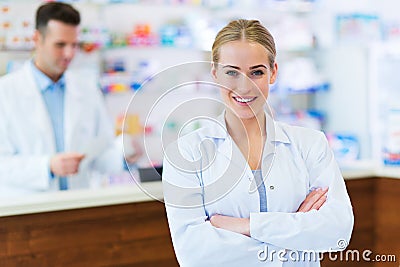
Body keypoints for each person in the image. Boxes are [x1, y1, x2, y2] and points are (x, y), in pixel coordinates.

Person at [162, 19, 354, 266]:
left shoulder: (310, 144)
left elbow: (337, 232)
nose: (244, 86)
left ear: (273, 73)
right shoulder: (186, 152)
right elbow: (194, 254)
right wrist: (295, 239)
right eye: (232, 72)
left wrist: (245, 226)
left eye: (257, 72)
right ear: (214, 74)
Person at [0, 2, 141, 196]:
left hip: (76, 205)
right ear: (37, 39)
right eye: (60, 45)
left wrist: (125, 156)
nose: (69, 54)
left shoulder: (87, 89)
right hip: (27, 210)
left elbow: (100, 154)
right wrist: (46, 166)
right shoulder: (5, 92)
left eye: (74, 45)